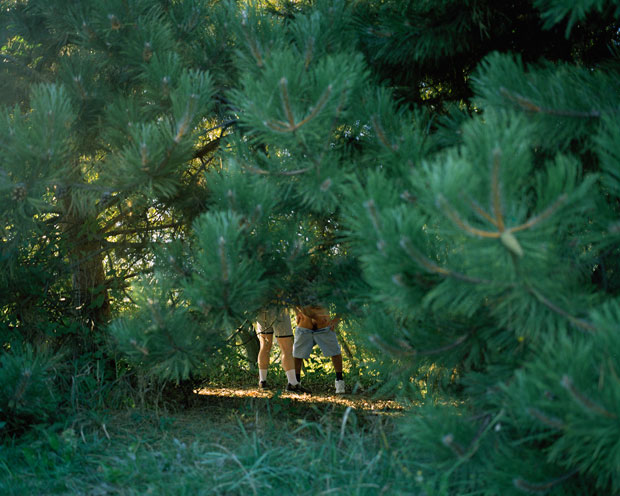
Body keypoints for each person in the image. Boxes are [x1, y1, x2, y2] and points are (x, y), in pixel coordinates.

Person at [293, 304, 345, 394]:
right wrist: (297, 311)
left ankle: (339, 382)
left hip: (324, 327)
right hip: (304, 326)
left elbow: (342, 300)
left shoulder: (327, 290)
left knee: (335, 353)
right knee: (297, 355)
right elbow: (291, 298)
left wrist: (337, 319)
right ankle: (296, 383)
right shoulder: (302, 290)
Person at [255, 307, 309, 393]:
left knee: (264, 346)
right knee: (287, 348)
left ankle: (262, 382)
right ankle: (293, 384)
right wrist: (298, 311)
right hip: (278, 310)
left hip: (261, 310)